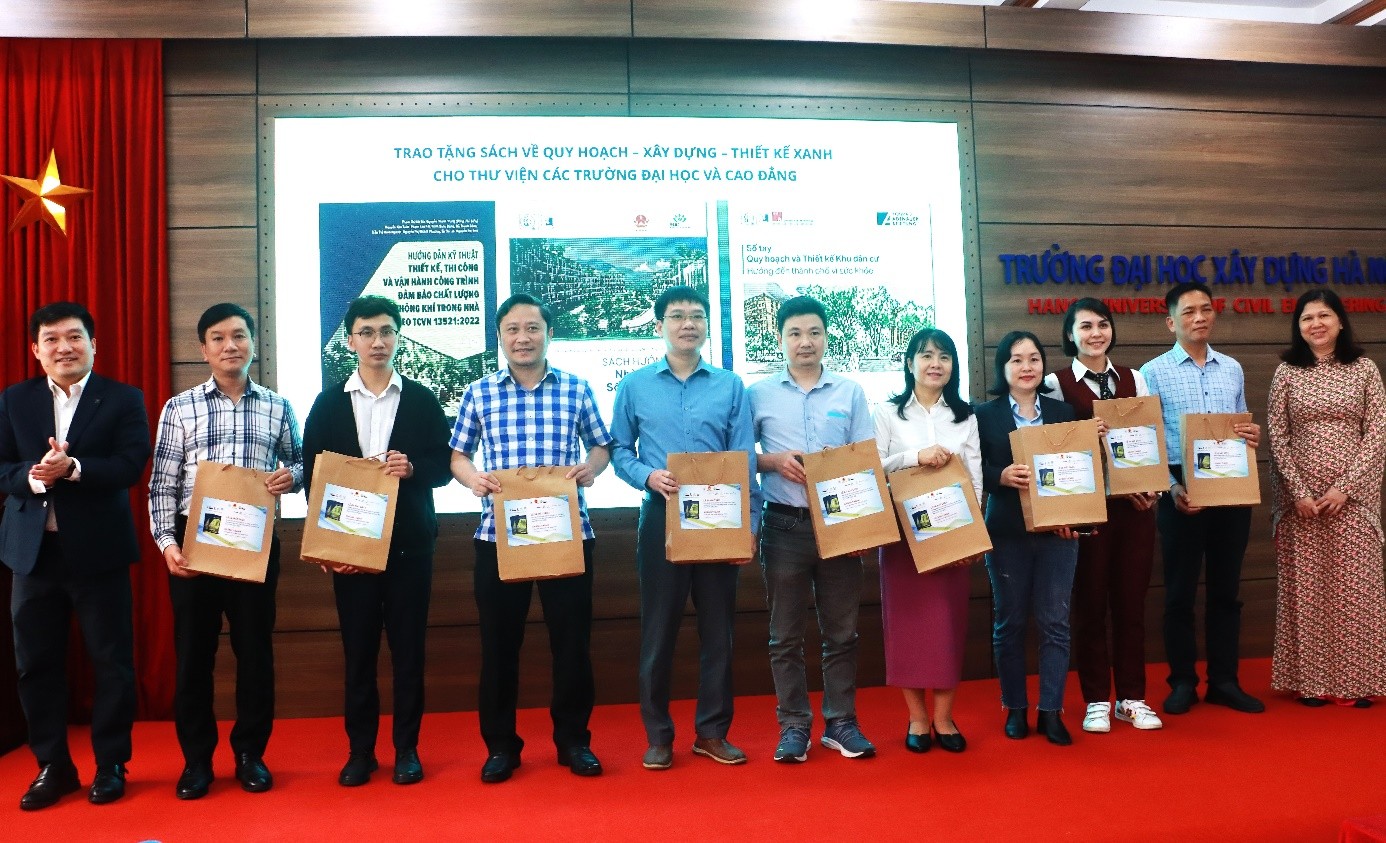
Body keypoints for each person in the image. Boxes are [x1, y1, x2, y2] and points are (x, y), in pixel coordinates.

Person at [450, 293, 612, 783]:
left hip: (566, 533)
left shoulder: (576, 388)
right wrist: (473, 479)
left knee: (572, 646)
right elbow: (458, 455)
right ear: (500, 337)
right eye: (513, 330)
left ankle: (574, 742)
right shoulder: (479, 392)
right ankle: (501, 747)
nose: (523, 338)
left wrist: (591, 468)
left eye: (533, 328)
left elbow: (601, 446)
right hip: (498, 537)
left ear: (549, 333)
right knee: (500, 648)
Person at [149, 303, 304, 799]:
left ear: (254, 343)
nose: (230, 345)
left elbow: (301, 463)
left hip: (254, 541)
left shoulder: (277, 406)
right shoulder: (179, 407)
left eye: (239, 335)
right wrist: (167, 543)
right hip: (194, 543)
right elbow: (161, 484)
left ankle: (250, 755)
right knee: (194, 657)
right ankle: (196, 761)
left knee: (254, 653)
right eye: (218, 338)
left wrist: (291, 477)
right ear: (203, 349)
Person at [0, 302, 150, 810]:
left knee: (112, 663)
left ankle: (111, 764)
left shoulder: (123, 398)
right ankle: (53, 766)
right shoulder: (14, 399)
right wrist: (32, 476)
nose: (63, 347)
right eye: (51, 339)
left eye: (74, 337)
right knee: (35, 665)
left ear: (93, 344)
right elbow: (1, 467)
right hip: (32, 555)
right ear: (36, 350)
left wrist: (74, 468)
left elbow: (130, 465)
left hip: (99, 554)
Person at [302, 296, 452, 786]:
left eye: (387, 331)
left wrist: (414, 469)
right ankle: (360, 752)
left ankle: (407, 749)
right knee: (359, 653)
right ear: (351, 341)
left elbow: (443, 467)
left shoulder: (422, 399)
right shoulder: (328, 403)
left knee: (409, 654)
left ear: (399, 337)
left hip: (410, 547)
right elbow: (313, 476)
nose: (377, 341)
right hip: (351, 551)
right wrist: (329, 545)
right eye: (366, 332)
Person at [611, 285, 759, 770]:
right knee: (659, 630)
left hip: (720, 515)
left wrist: (751, 522)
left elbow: (744, 458)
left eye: (696, 316)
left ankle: (712, 733)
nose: (687, 324)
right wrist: (646, 476)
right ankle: (658, 736)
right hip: (662, 514)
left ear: (707, 326)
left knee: (719, 633)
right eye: (677, 316)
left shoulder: (730, 385)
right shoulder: (634, 385)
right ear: (659, 326)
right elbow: (619, 450)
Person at [749, 296, 876, 763]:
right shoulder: (757, 394)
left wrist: (863, 528)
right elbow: (740, 458)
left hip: (841, 525)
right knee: (785, 635)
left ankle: (840, 723)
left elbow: (865, 460)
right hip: (785, 525)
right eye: (795, 334)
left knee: (842, 632)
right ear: (780, 339)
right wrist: (772, 462)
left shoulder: (850, 392)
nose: (806, 342)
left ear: (826, 337)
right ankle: (794, 726)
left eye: (814, 333)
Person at [1140, 282, 1263, 716]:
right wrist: (1171, 488)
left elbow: (1242, 427)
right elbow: (1147, 440)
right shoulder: (1152, 373)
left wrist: (1252, 435)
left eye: (1206, 309)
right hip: (1181, 487)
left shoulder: (1232, 368)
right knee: (1179, 592)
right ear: (1170, 322)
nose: (1199, 317)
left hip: (1230, 483)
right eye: (1189, 311)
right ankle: (1183, 682)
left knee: (1227, 590)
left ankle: (1225, 681)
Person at [1044, 299, 1163, 734]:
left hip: (1135, 510)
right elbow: (1050, 446)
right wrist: (1082, 435)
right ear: (1070, 334)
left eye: (1103, 324)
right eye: (1086, 326)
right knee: (1090, 605)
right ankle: (1096, 699)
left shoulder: (1135, 378)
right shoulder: (1055, 384)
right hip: (1087, 511)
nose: (1096, 333)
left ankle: (1132, 698)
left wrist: (1152, 488)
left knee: (1131, 605)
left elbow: (1151, 437)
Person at [1267, 289, 1386, 708]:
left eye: (1324, 316)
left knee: (1355, 592)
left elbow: (1377, 433)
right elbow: (1277, 435)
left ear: (1340, 321)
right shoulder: (1287, 372)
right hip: (1301, 504)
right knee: (1309, 592)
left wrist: (1344, 488)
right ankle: (1311, 682)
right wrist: (1299, 492)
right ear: (1298, 327)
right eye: (1306, 318)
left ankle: (1357, 682)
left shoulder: (1364, 369)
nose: (1315, 324)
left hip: (1353, 499)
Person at [872, 327, 980, 755]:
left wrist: (973, 535)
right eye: (926, 355)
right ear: (910, 363)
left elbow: (976, 477)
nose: (936, 364)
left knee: (948, 626)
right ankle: (917, 718)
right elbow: (873, 466)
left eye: (944, 356)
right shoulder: (887, 413)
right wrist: (914, 457)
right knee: (908, 628)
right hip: (903, 536)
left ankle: (944, 717)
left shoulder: (965, 416)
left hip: (953, 532)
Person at [976, 331, 1080, 745]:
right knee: (1010, 622)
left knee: (1055, 623)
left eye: (1034, 358)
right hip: (1006, 533)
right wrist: (999, 476)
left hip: (1058, 534)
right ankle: (1015, 707)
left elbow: (1078, 470)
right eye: (1016, 359)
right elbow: (970, 468)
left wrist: (1074, 517)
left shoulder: (1063, 412)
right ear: (1003, 367)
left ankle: (1051, 711)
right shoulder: (983, 415)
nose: (1026, 367)